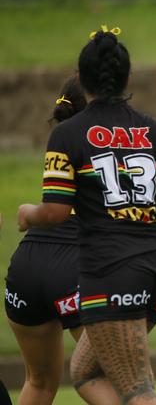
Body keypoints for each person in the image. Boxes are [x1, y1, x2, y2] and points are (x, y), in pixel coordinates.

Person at [17, 26, 156, 405]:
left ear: (79, 78)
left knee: (138, 389)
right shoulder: (155, 128)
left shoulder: (68, 134)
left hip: (110, 270)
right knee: (86, 373)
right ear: (127, 79)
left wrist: (28, 214)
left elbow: (56, 212)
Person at [5, 77, 113, 405]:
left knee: (38, 383)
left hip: (26, 266)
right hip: (73, 268)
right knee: (114, 380)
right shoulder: (108, 141)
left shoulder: (62, 143)